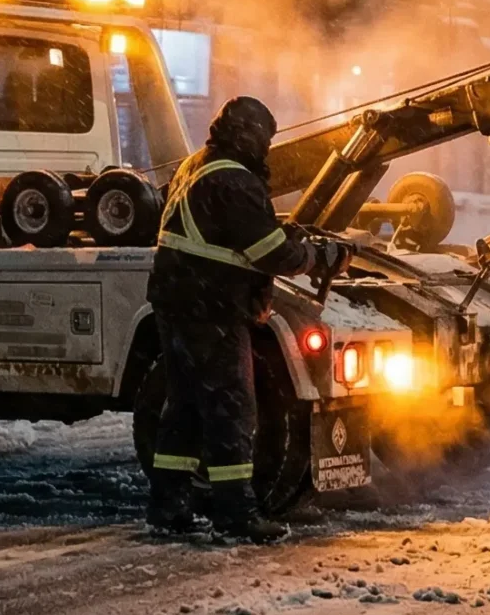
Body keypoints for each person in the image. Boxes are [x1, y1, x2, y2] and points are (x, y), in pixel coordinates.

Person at [145, 96, 348, 542]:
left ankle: (167, 505)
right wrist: (317, 256)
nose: (266, 148)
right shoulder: (234, 179)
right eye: (264, 139)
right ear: (249, 134)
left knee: (184, 408)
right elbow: (268, 253)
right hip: (212, 307)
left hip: (178, 302)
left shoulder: (197, 165)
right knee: (231, 409)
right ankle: (236, 514)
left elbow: (229, 231)